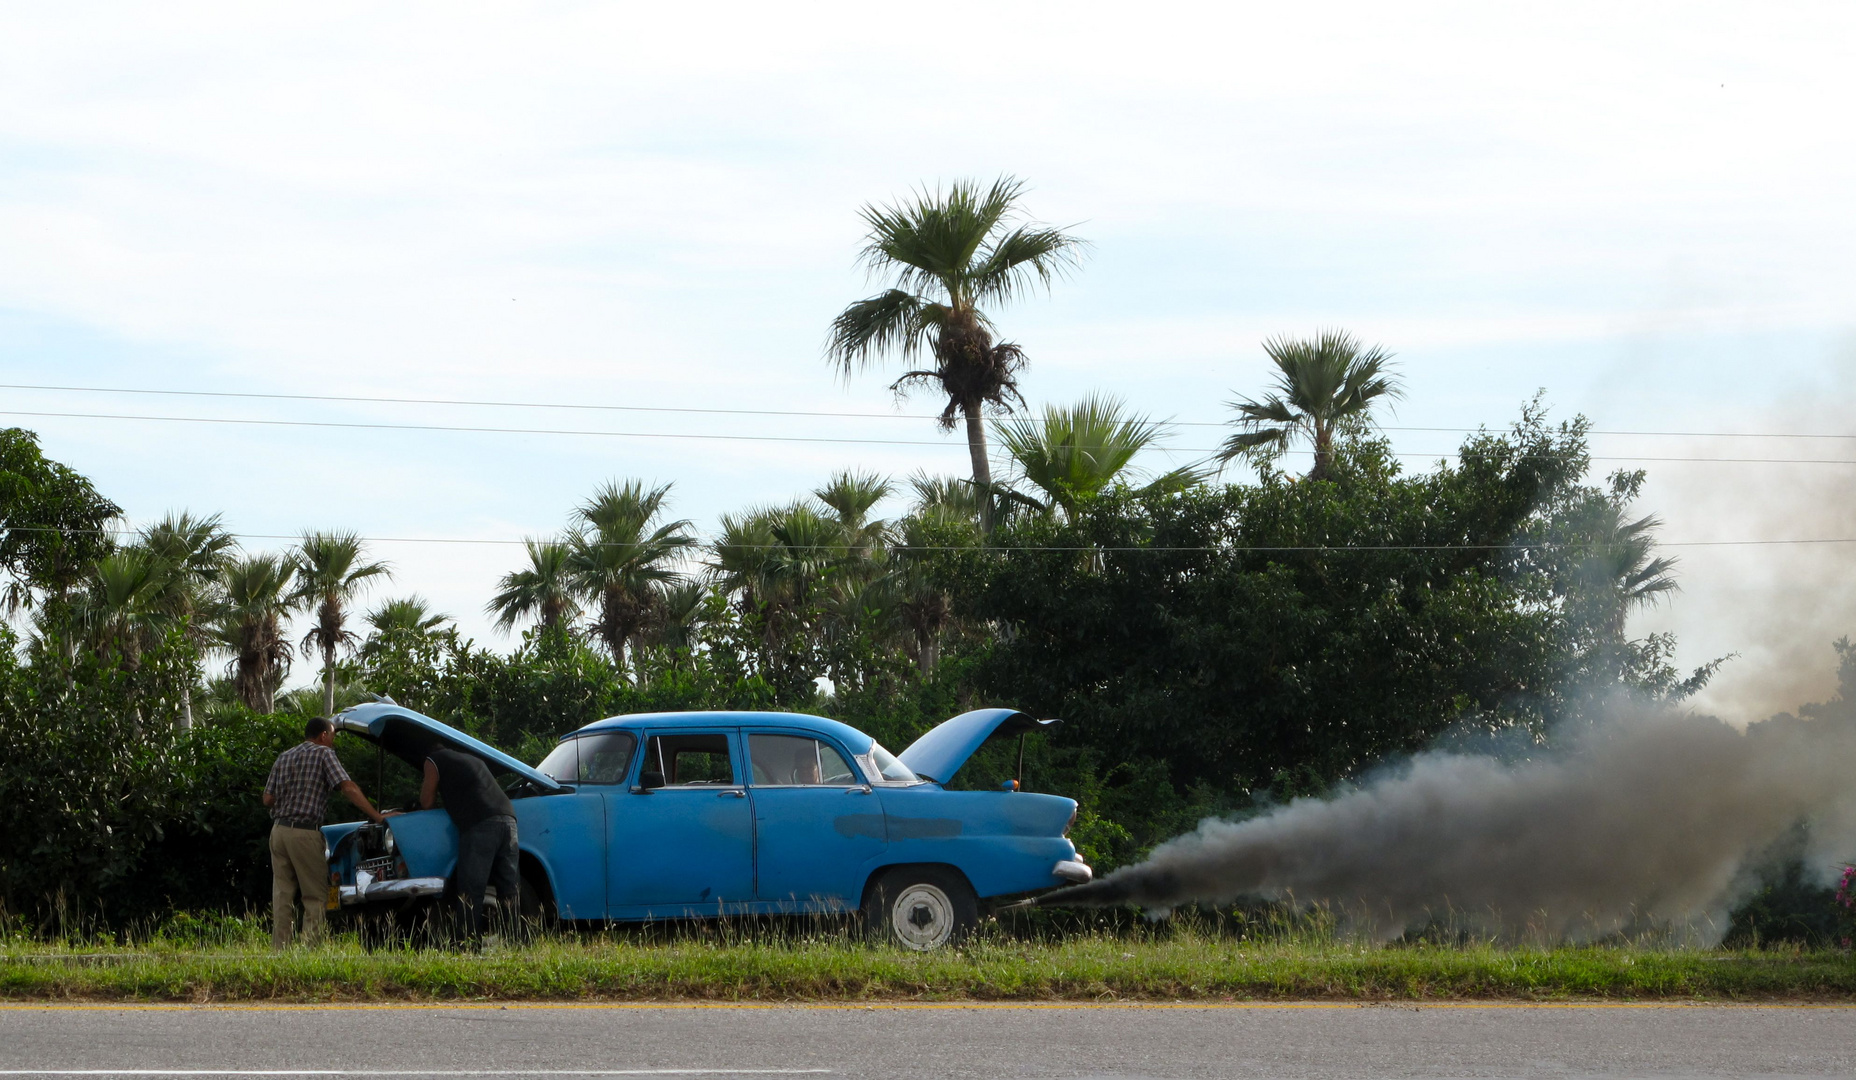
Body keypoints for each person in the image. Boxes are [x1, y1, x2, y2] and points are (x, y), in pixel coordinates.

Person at [262, 716, 388, 950]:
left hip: (278, 831)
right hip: (305, 832)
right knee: (315, 895)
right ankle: (309, 950)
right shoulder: (324, 754)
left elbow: (267, 799)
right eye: (332, 736)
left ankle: (279, 951)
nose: (333, 742)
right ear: (323, 735)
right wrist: (378, 816)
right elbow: (347, 786)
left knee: (282, 894)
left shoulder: (284, 756)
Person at [421, 745, 520, 944]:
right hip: (509, 819)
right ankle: (516, 943)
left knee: (471, 888)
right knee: (509, 887)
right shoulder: (472, 760)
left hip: (481, 823)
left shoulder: (433, 760)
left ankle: (467, 945)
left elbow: (426, 802)